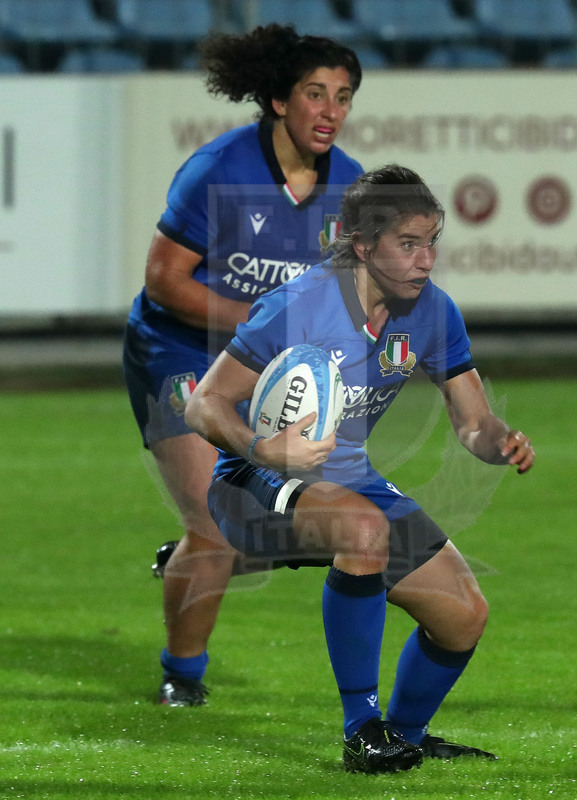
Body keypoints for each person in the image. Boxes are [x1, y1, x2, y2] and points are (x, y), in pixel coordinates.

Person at [184, 164, 535, 774]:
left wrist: (500, 441)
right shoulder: (298, 306)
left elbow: (473, 423)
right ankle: (361, 729)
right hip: (253, 482)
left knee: (463, 616)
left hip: (352, 484)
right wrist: (262, 450)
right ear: (364, 245)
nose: (426, 260)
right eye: (409, 244)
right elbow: (204, 403)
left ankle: (404, 734)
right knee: (364, 531)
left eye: (431, 244)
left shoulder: (433, 312)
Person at [122, 24, 364, 707]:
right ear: (278, 100)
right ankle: (183, 677)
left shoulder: (349, 189)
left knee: (285, 526)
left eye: (342, 97)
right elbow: (164, 280)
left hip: (263, 365)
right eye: (315, 93)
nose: (330, 110)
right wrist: (261, 324)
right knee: (213, 523)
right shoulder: (218, 169)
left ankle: (194, 558)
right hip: (176, 351)